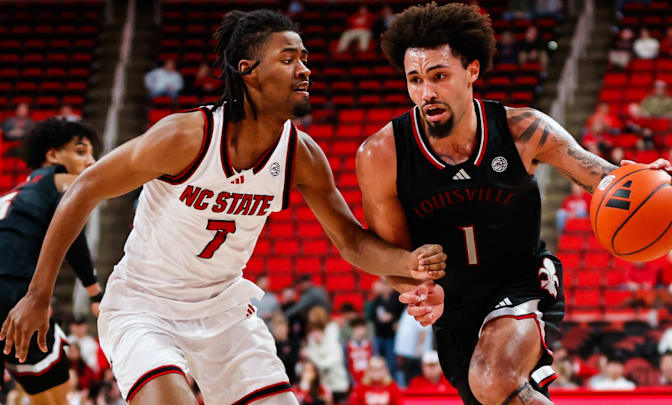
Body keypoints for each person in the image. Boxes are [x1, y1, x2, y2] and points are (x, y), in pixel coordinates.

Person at [1, 10, 447, 405]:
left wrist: (407, 263)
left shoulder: (301, 154)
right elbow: (84, 189)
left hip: (224, 312)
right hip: (145, 306)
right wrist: (39, 295)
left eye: (305, 58)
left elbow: (351, 242)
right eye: (288, 59)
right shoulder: (185, 136)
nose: (304, 70)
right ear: (249, 70)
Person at [356, 3, 672, 404]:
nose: (425, 93)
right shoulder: (382, 154)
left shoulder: (522, 130)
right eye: (414, 80)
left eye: (439, 76)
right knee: (494, 392)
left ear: (472, 71)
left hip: (523, 279)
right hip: (455, 304)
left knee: (492, 377)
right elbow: (392, 252)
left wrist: (653, 180)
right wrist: (418, 290)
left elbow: (603, 179)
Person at [0, 118, 101, 404]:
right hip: (13, 288)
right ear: (53, 155)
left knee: (32, 388)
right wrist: (95, 291)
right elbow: (71, 231)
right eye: (81, 152)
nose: (91, 161)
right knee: (59, 388)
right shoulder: (62, 180)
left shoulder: (18, 192)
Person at [302, 321, 349, 403]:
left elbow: (326, 365)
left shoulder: (333, 345)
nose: (315, 335)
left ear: (323, 331)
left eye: (317, 331)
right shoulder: (314, 347)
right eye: (312, 332)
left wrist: (311, 356)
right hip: (325, 388)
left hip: (338, 387)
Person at [366, 278, 404, 378]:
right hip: (379, 335)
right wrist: (380, 319)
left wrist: (394, 319)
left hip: (392, 336)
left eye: (387, 284)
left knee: (392, 362)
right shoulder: (377, 300)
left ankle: (392, 380)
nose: (385, 287)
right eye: (384, 285)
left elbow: (403, 314)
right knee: (378, 360)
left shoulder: (398, 298)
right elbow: (371, 316)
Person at [393, 308, 433, 387]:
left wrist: (420, 346)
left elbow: (423, 329)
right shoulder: (409, 308)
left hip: (414, 353)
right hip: (406, 352)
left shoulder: (420, 309)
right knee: (407, 375)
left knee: (414, 377)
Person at [346, 317, 373, 386]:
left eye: (363, 328)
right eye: (358, 328)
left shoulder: (370, 344)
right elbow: (345, 364)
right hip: (352, 380)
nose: (361, 330)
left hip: (368, 379)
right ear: (353, 329)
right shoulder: (347, 345)